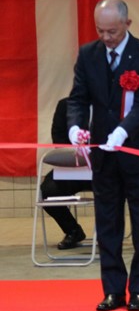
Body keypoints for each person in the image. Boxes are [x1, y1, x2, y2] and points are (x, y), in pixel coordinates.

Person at [67, 0, 139, 311]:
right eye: (100, 30)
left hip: (137, 151)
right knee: (107, 223)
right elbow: (78, 98)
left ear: (127, 24)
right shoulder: (88, 54)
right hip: (103, 155)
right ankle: (113, 290)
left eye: (112, 31)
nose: (106, 37)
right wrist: (75, 127)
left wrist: (122, 132)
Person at [40, 97, 93, 249]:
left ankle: (108, 235)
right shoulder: (65, 105)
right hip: (71, 167)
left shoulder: (108, 104)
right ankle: (73, 231)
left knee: (113, 190)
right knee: (48, 191)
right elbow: (58, 136)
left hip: (101, 169)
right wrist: (76, 154)